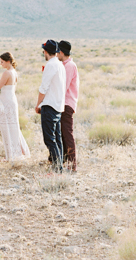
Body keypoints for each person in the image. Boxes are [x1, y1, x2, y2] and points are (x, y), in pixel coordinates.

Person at [0, 52, 30, 161]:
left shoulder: (7, 73)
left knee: (7, 128)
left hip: (7, 104)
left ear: (8, 61)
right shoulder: (14, 72)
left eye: (2, 62)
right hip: (12, 101)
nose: (0, 64)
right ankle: (18, 151)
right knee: (14, 127)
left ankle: (12, 155)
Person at [35, 39, 66, 172]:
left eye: (44, 50)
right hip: (58, 105)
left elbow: (44, 87)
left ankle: (57, 167)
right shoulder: (60, 65)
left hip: (50, 105)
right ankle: (59, 165)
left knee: (49, 138)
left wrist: (38, 104)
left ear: (46, 52)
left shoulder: (50, 65)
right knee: (57, 137)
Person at [57, 40, 79, 172]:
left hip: (66, 103)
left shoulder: (69, 66)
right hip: (63, 102)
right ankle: (65, 161)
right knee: (63, 134)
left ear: (61, 52)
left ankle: (72, 166)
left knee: (67, 134)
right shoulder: (64, 65)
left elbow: (62, 87)